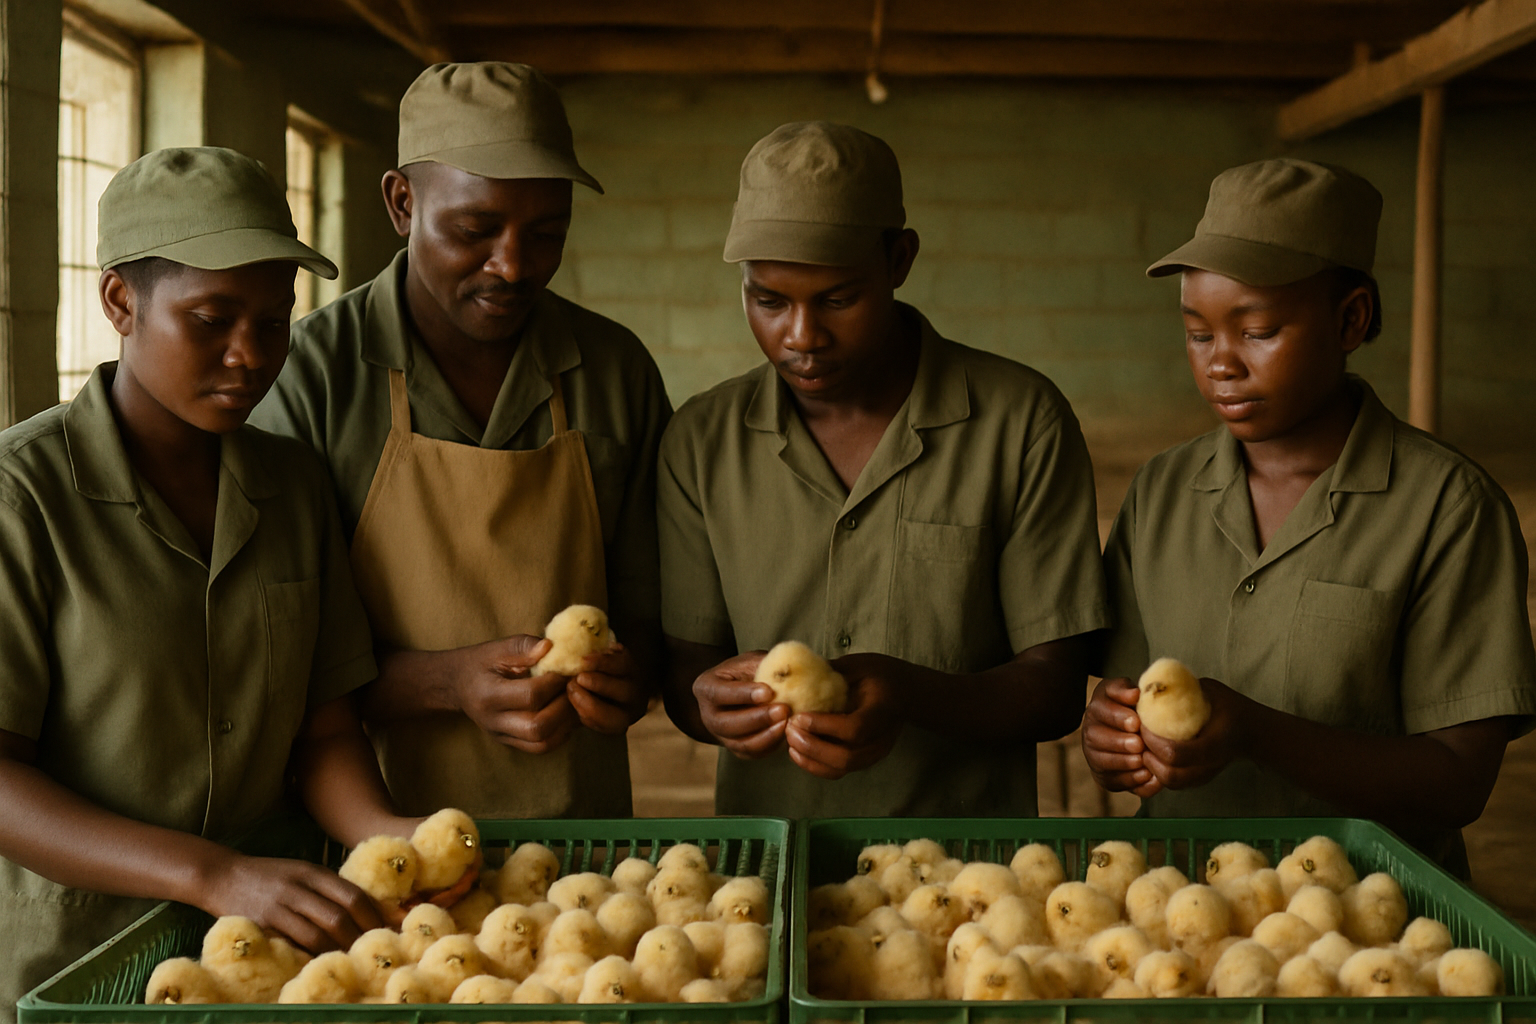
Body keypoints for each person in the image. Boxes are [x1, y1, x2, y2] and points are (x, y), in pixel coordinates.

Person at [0, 148, 417, 1018]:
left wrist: (388, 841)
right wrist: (211, 874)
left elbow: (324, 726)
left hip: (272, 955)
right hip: (83, 962)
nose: (250, 355)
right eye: (210, 319)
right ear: (121, 301)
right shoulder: (24, 496)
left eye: (273, 322)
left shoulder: (293, 485)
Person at [1082, 158, 1536, 871]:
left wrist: (1258, 733)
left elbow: (1458, 782)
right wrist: (1113, 740)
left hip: (1365, 930)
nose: (1220, 363)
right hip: (1176, 910)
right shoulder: (1161, 494)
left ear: (1350, 318)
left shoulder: (1448, 509)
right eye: (1199, 334)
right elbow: (1128, 698)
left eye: (1257, 331)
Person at [251, 63, 670, 819]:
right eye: (474, 231)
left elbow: (645, 606)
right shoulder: (308, 374)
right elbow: (272, 658)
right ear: (401, 202)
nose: (512, 265)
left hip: (579, 833)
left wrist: (625, 681)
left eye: (547, 235)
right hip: (368, 827)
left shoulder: (614, 371)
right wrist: (443, 683)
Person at [658, 122, 1108, 817]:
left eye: (838, 299)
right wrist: (707, 704)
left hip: (972, 883)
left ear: (899, 259)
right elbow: (688, 665)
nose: (801, 337)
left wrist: (906, 693)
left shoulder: (1020, 421)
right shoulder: (701, 440)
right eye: (768, 301)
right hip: (774, 868)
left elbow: (1053, 690)